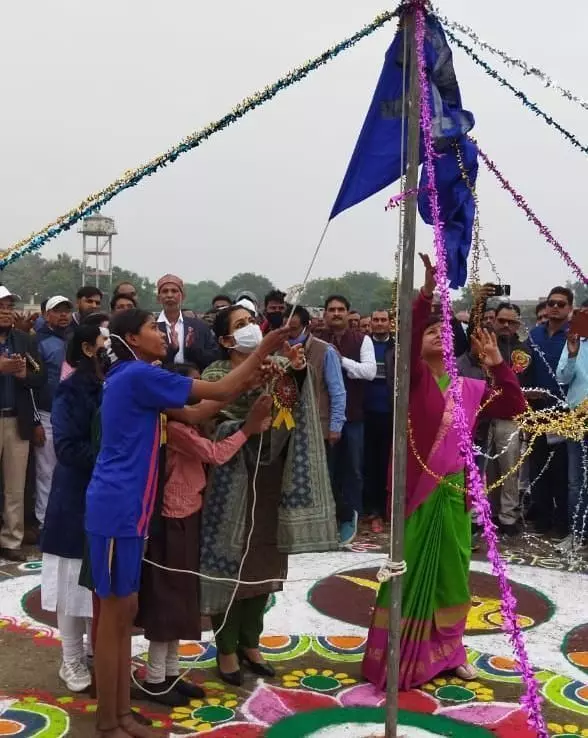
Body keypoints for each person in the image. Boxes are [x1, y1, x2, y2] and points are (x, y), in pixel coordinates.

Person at [83, 307, 289, 738]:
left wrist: (245, 384)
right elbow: (218, 385)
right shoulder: (138, 375)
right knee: (115, 618)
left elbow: (197, 413)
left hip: (130, 509)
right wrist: (263, 350)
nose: (161, 332)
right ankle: (108, 723)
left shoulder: (136, 378)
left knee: (126, 612)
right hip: (117, 508)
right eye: (151, 328)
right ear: (132, 339)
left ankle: (121, 715)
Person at [362, 254, 526, 691]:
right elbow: (413, 331)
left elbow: (513, 407)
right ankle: (397, 653)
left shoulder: (470, 388)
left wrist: (495, 362)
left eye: (443, 332)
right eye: (430, 332)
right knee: (409, 570)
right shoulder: (412, 379)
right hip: (414, 492)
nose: (436, 335)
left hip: (455, 496)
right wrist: (428, 293)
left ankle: (450, 651)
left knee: (453, 574)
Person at [200, 305, 338, 687]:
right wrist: (248, 420)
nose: (250, 330)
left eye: (252, 322)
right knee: (229, 562)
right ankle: (226, 646)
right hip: (231, 480)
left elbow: (292, 409)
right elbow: (215, 422)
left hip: (270, 474)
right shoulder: (216, 374)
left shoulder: (278, 362)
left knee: (263, 559)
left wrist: (294, 373)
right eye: (240, 326)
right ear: (227, 340)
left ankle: (251, 641)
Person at [137, 364, 273, 706]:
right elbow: (215, 454)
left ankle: (169, 674)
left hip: (186, 516)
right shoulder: (175, 428)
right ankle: (155, 678)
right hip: (172, 521)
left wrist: (242, 387)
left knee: (181, 600)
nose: (200, 398)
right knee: (168, 601)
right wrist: (249, 428)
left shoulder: (184, 423)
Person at [40, 322, 106, 692]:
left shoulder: (113, 386)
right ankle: (71, 659)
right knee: (71, 582)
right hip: (75, 497)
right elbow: (65, 448)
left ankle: (97, 650)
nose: (112, 347)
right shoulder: (69, 392)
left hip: (107, 497)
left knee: (98, 581)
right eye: (105, 340)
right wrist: (112, 458)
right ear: (86, 349)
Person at [318, 295, 377, 545]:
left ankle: (351, 517)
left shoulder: (362, 339)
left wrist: (340, 361)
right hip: (322, 417)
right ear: (324, 314)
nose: (336, 313)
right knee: (326, 469)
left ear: (348, 313)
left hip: (352, 416)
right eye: (331, 310)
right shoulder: (316, 339)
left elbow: (369, 372)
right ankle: (326, 517)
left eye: (341, 309)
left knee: (352, 469)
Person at [0, 286, 45, 562]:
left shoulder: (23, 340)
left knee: (15, 486)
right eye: (0, 306)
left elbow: (40, 376)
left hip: (16, 419)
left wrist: (23, 375)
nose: (5, 311)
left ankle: (11, 540)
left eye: (8, 306)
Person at [526, 285, 573, 537]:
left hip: (566, 414)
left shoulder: (576, 335)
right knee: (537, 467)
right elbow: (521, 366)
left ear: (569, 308)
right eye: (551, 303)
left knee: (563, 471)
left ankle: (562, 522)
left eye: (560, 304)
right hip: (537, 412)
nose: (555, 307)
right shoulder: (534, 335)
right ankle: (541, 520)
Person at [486, 302, 533, 536]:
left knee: (509, 470)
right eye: (501, 320)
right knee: (487, 471)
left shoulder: (524, 351)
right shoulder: (482, 344)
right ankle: (488, 514)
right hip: (484, 416)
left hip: (511, 419)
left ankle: (508, 517)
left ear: (517, 324)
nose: (505, 325)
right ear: (493, 320)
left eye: (510, 322)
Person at [284, 305, 346, 450]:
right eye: (286, 329)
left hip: (318, 426)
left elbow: (338, 392)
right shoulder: (279, 349)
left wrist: (335, 426)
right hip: (286, 428)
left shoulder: (325, 350)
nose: (290, 334)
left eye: (294, 329)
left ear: (306, 327)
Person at [35, 296, 74, 527]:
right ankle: (44, 521)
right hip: (46, 413)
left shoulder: (73, 340)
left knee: (66, 469)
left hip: (69, 414)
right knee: (46, 471)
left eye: (66, 311)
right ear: (46, 314)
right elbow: (32, 382)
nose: (63, 315)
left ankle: (62, 520)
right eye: (57, 311)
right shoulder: (38, 342)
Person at [556, 299, 588, 552]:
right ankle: (576, 535)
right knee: (576, 481)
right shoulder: (575, 345)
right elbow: (562, 377)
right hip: (578, 420)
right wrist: (574, 352)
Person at [363, 309, 395, 533]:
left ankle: (386, 509)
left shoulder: (398, 347)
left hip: (390, 412)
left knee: (387, 462)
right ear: (371, 323)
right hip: (366, 412)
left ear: (390, 323)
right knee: (368, 463)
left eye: (384, 320)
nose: (380, 323)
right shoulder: (363, 345)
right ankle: (371, 508)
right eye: (376, 320)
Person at [156, 273, 219, 369]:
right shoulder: (151, 327)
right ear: (158, 298)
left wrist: (193, 349)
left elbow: (213, 357)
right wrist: (172, 349)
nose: (169, 295)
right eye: (165, 291)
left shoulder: (199, 326)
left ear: (183, 296)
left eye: (174, 291)